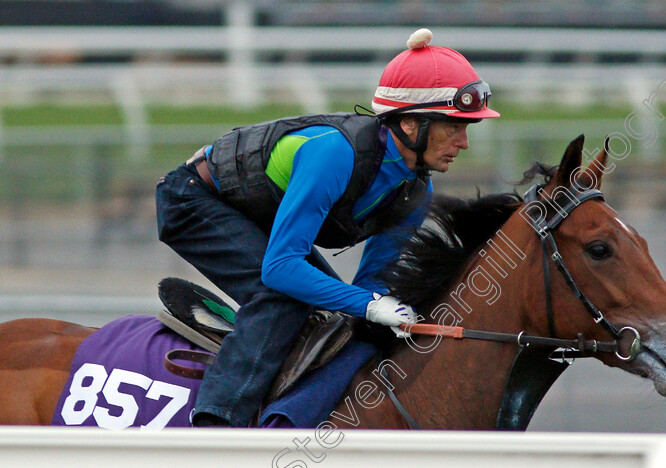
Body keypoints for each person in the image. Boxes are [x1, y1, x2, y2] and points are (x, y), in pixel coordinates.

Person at [155, 28, 499, 427]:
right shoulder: (334, 153)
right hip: (192, 200)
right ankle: (217, 427)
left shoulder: (416, 190)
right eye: (454, 126)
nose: (464, 142)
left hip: (256, 216)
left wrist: (385, 309)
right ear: (410, 126)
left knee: (340, 315)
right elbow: (281, 268)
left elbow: (372, 283)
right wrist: (367, 303)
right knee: (284, 294)